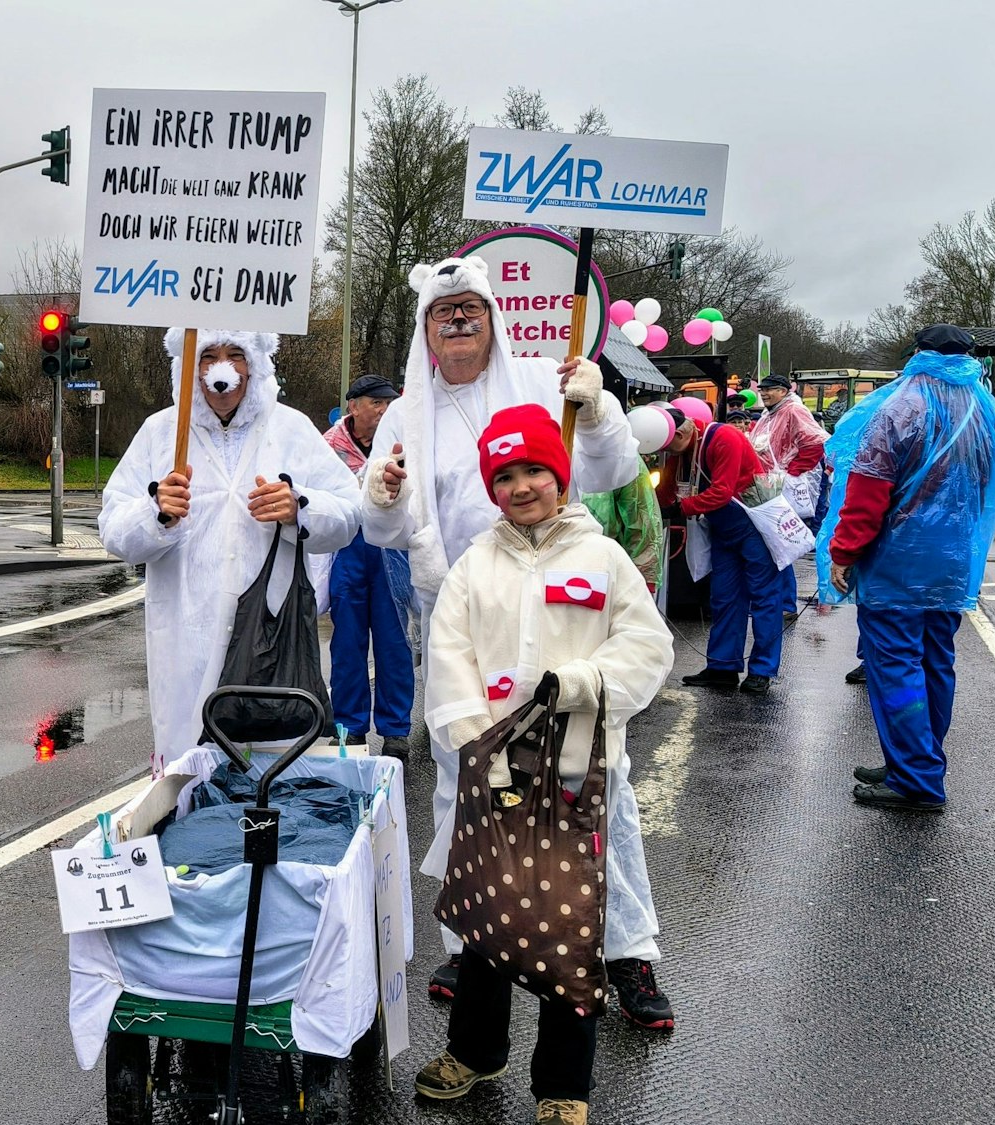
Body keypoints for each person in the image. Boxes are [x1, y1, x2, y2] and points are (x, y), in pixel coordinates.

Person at [359, 256, 672, 1029]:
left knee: (595, 785)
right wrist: (382, 498)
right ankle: (473, 944)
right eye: (443, 312)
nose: (458, 320)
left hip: (562, 600)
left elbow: (609, 467)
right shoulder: (406, 412)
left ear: (493, 316)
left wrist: (594, 411)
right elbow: (385, 530)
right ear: (425, 330)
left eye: (470, 307)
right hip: (465, 607)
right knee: (466, 778)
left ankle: (624, 951)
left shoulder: (541, 375)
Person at [412, 404, 674, 1123]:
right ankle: (474, 1050)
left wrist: (591, 683)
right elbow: (450, 656)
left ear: (560, 478)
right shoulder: (475, 565)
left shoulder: (603, 558)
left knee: (568, 927)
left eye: (534, 471)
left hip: (577, 773)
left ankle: (563, 1086)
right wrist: (481, 746)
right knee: (486, 919)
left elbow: (649, 647)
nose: (521, 486)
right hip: (492, 774)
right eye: (505, 475)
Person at [100, 329, 361, 770]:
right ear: (189, 366)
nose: (222, 368)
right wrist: (155, 513)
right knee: (189, 779)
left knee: (270, 778)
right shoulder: (162, 432)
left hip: (270, 640)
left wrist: (299, 507)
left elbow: (350, 513)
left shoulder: (289, 428)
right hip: (185, 636)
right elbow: (113, 529)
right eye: (208, 356)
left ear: (255, 362)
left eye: (236, 354)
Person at [820, 325, 995, 812]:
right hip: (953, 561)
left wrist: (844, 551)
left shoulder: (899, 407)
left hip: (898, 561)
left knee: (895, 665)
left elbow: (867, 488)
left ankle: (915, 778)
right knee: (935, 661)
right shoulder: (986, 412)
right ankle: (915, 760)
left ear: (917, 354)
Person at [657, 408, 782, 695]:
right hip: (723, 526)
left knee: (764, 597)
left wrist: (680, 508)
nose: (668, 455)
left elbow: (722, 491)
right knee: (724, 597)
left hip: (755, 523)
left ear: (681, 433)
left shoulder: (724, 437)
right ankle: (722, 666)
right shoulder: (682, 448)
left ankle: (762, 669)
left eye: (668, 448)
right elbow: (665, 491)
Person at [322, 374, 414, 757]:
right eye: (376, 402)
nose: (383, 410)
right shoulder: (326, 447)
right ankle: (348, 729)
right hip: (348, 549)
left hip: (392, 549)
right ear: (353, 405)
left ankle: (396, 731)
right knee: (347, 643)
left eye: (388, 403)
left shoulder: (402, 444)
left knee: (395, 642)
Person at [751, 372, 828, 615]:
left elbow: (815, 443)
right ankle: (780, 602)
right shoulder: (769, 413)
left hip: (784, 485)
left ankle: (784, 603)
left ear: (784, 391)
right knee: (775, 546)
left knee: (780, 545)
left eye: (769, 389)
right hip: (771, 484)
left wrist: (792, 473)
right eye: (762, 389)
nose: (763, 393)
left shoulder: (794, 410)